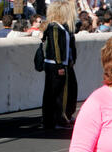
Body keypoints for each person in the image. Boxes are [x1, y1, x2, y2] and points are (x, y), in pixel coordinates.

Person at [42, 0, 78, 130]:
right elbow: (56, 47)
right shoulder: (55, 27)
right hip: (56, 66)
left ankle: (60, 118)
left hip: (61, 64)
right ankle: (58, 120)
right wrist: (59, 66)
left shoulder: (60, 27)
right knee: (58, 95)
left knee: (62, 92)